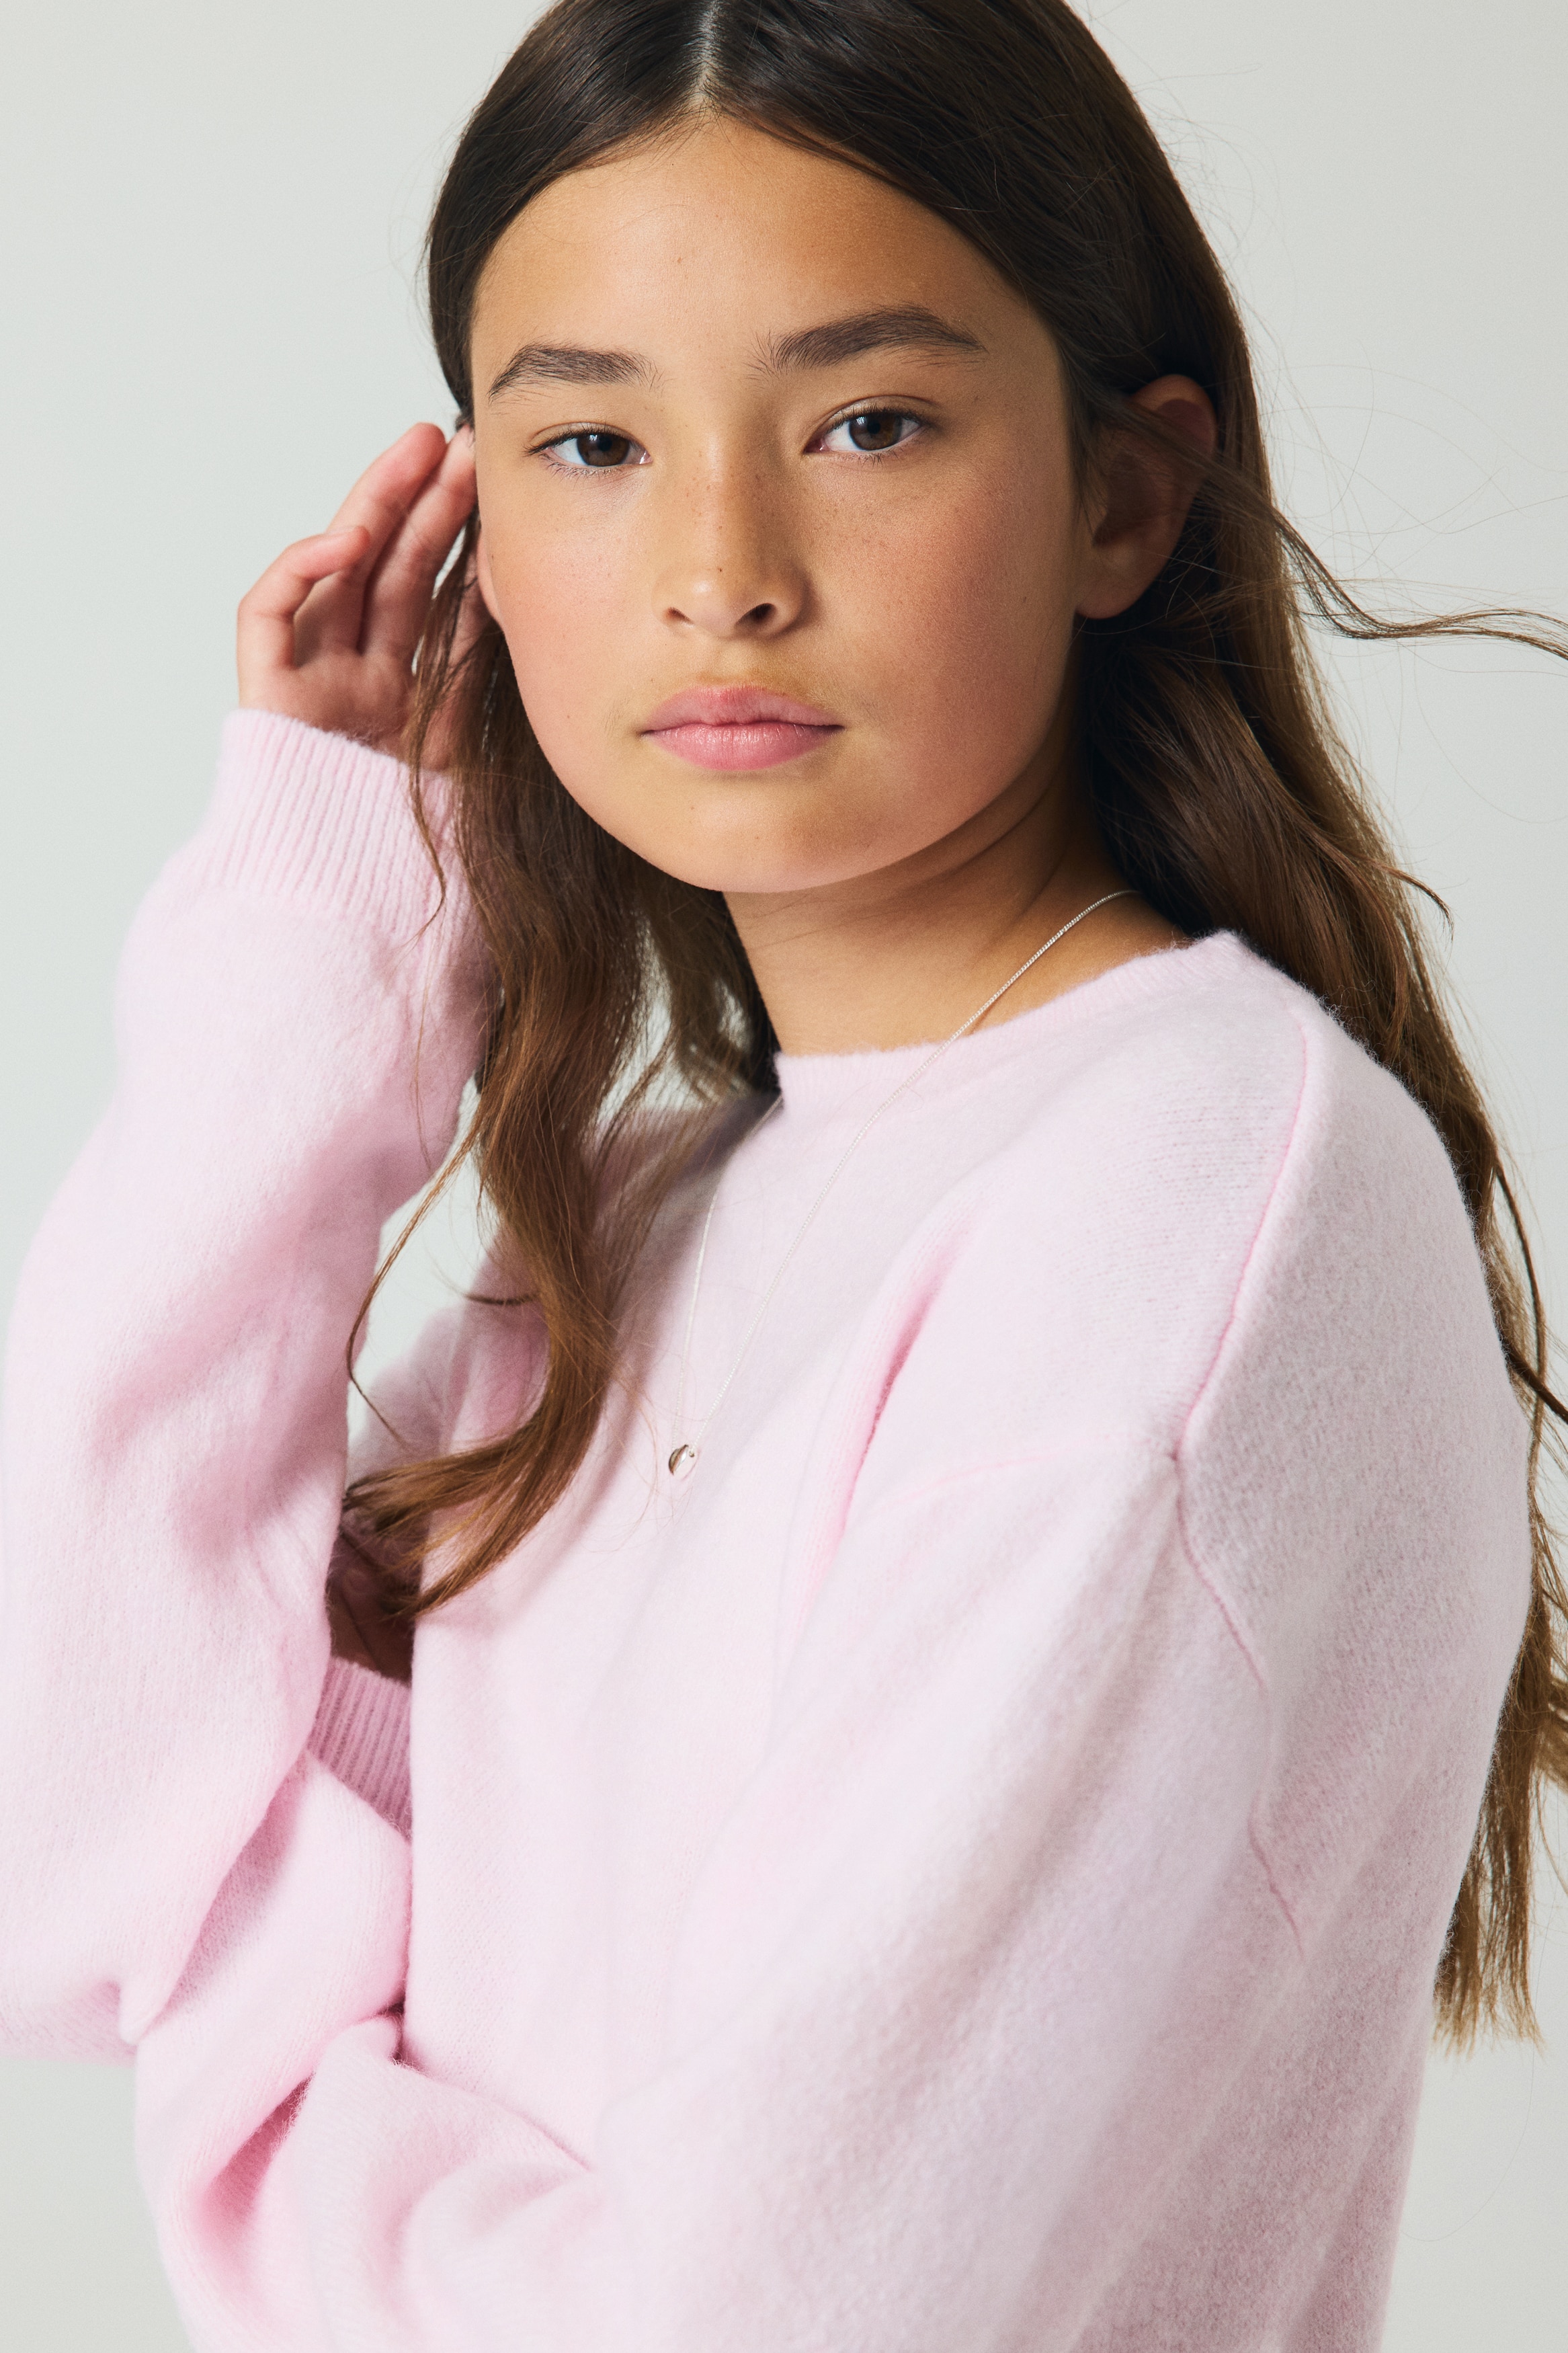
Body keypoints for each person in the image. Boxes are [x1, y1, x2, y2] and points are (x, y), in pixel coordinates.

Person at [2, 0, 1564, 2344]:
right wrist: (307, 974)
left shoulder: (1188, 1201)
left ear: (1124, 497)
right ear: (478, 537)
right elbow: (73, 1845)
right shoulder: (628, 1229)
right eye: (595, 441)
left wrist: (252, 2108)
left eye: (868, 423)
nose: (721, 569)